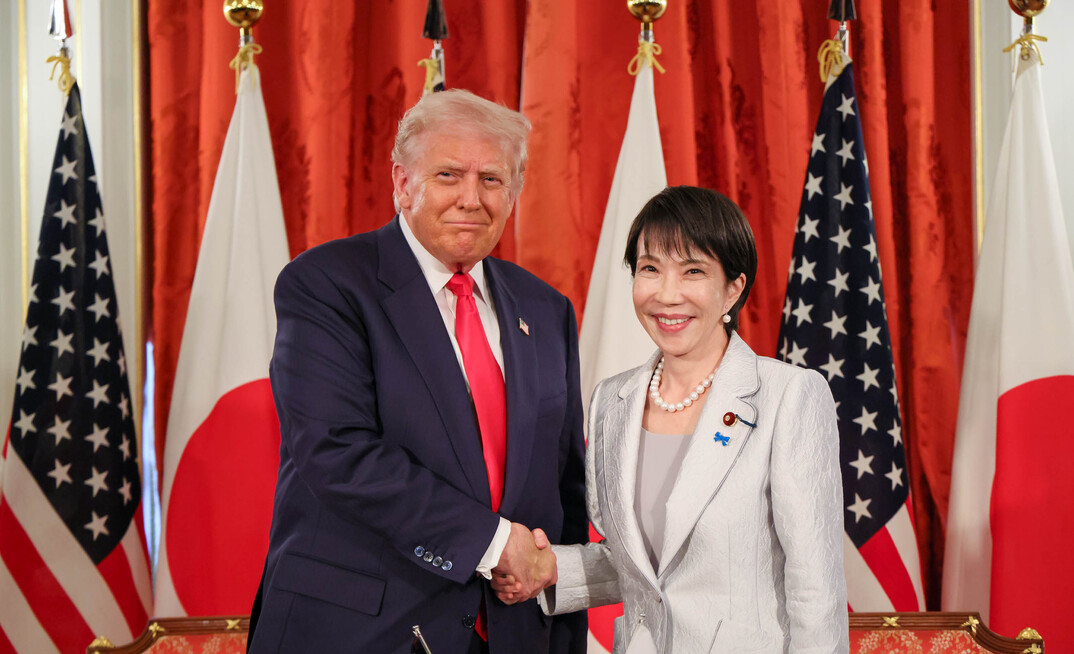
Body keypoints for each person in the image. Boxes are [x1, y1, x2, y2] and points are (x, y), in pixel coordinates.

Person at [247, 89, 588, 654]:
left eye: (493, 180)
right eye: (449, 175)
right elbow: (337, 452)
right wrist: (495, 543)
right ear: (403, 183)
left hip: (512, 635)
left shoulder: (546, 309)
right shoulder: (328, 285)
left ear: (515, 192)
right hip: (360, 633)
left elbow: (562, 493)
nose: (471, 199)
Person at [494, 186, 848, 653]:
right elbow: (645, 565)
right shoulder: (611, 402)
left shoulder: (789, 397)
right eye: (649, 269)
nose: (666, 294)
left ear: (733, 289)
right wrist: (553, 568)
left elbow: (815, 592)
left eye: (693, 271)